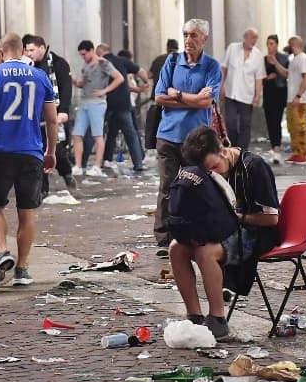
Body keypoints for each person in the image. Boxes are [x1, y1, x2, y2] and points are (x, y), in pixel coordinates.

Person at [169, 125, 279, 339]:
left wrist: (238, 217)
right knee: (176, 248)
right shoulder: (205, 173)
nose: (214, 173)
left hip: (253, 232)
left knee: (205, 252)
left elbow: (272, 218)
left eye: (215, 166)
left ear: (222, 150)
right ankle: (194, 316)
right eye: (208, 171)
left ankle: (218, 318)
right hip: (217, 229)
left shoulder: (254, 167)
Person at [0, 32, 58, 287]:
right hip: (31, 150)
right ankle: (22, 268)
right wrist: (50, 151)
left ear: (1, 49)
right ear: (22, 50)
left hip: (0, 148)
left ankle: (1, 251)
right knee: (27, 212)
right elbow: (52, 119)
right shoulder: (40, 76)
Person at [153, 18, 222, 251]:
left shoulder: (212, 66)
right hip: (168, 135)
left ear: (205, 38)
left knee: (196, 188)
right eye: (185, 35)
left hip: (197, 140)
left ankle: (193, 234)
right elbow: (160, 97)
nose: (188, 40)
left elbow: (207, 102)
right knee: (168, 187)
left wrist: (178, 95)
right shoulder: (171, 62)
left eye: (193, 35)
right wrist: (193, 100)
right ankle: (164, 238)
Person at [23, 35, 77, 193]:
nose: (29, 53)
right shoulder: (29, 66)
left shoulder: (59, 64)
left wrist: (64, 111)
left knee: (57, 151)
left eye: (32, 50)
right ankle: (42, 189)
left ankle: (66, 173)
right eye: (27, 50)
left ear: (42, 47)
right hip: (36, 116)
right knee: (38, 151)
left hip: (54, 113)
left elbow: (66, 88)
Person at [70, 40, 123, 178]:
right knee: (77, 134)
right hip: (85, 101)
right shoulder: (86, 65)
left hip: (97, 103)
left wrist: (104, 90)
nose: (83, 57)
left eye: (84, 54)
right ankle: (78, 165)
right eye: (81, 55)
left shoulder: (103, 63)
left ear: (91, 50)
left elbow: (119, 78)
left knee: (97, 135)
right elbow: (83, 82)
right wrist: (77, 82)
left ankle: (97, 166)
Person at [96, 42, 148, 172]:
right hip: (123, 103)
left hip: (105, 102)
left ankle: (97, 161)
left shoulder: (100, 63)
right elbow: (141, 71)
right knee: (130, 134)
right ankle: (138, 163)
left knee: (99, 133)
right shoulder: (122, 61)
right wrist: (145, 83)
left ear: (100, 52)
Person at [268, 36, 306, 164]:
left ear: (294, 45)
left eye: (290, 44)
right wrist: (275, 63)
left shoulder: (304, 59)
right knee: (293, 127)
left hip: (301, 100)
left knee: (300, 127)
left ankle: (304, 154)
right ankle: (297, 152)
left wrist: (299, 95)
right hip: (291, 98)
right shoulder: (294, 60)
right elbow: (288, 74)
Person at [220, 28, 265, 150]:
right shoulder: (232, 48)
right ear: (245, 38)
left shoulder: (258, 55)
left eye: (256, 38)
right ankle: (234, 147)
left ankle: (242, 150)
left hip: (247, 95)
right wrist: (221, 86)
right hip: (231, 93)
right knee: (230, 122)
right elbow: (224, 68)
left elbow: (259, 78)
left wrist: (257, 96)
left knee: (245, 124)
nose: (254, 40)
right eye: (252, 37)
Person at [262, 34, 289, 165]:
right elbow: (259, 76)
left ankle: (277, 147)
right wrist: (266, 78)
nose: (269, 46)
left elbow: (286, 74)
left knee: (277, 120)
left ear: (277, 45)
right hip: (267, 92)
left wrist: (275, 63)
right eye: (268, 44)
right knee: (269, 121)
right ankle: (274, 147)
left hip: (279, 92)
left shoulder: (283, 58)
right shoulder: (263, 59)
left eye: (272, 44)